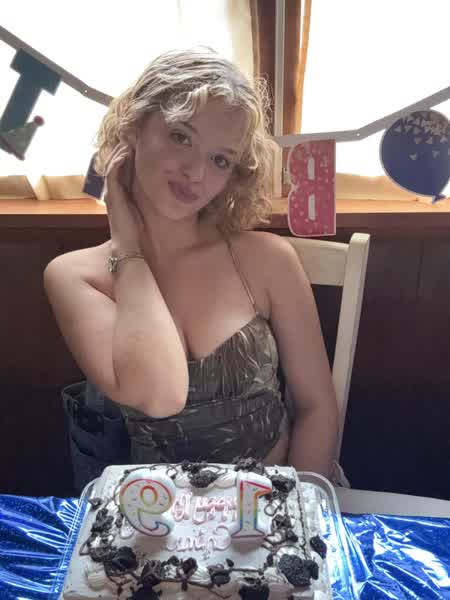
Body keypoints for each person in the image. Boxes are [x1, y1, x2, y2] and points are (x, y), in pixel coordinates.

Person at [44, 48, 338, 491]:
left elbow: (317, 407)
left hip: (276, 505)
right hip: (153, 518)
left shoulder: (268, 258)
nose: (196, 172)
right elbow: (159, 395)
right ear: (133, 128)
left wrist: (296, 507)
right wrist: (128, 248)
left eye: (221, 159)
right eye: (181, 137)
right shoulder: (74, 277)